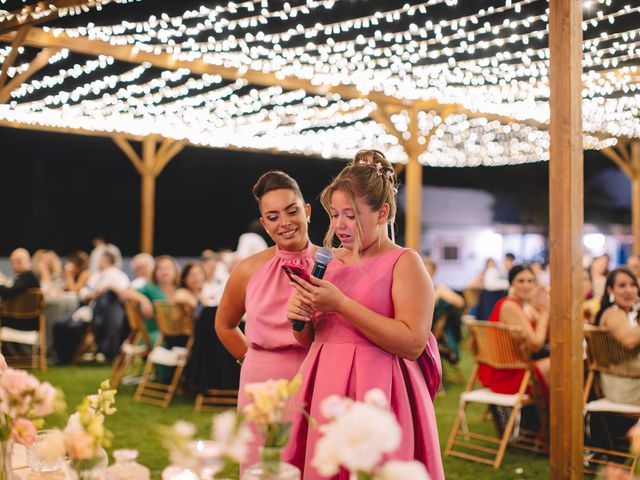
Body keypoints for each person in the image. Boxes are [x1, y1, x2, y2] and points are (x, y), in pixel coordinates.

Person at [284, 150, 444, 480]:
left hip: (379, 389)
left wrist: (341, 304)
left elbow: (413, 343)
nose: (339, 225)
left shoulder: (405, 262)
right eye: (335, 214)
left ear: (382, 212)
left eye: (351, 215)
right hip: (325, 383)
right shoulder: (330, 261)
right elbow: (311, 338)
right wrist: (298, 318)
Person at [215, 170, 316, 468]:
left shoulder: (335, 263)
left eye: (292, 211)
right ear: (264, 224)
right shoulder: (248, 269)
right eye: (273, 217)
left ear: (307, 211)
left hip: (318, 376)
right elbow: (224, 324)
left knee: (316, 463)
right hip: (262, 382)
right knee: (263, 466)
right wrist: (248, 359)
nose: (284, 223)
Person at [478, 264, 550, 398]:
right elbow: (535, 344)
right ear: (511, 283)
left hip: (516, 369)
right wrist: (545, 313)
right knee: (561, 366)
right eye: (521, 281)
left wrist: (541, 308)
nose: (526, 285)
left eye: (530, 281)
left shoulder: (523, 306)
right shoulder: (509, 307)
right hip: (509, 375)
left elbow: (548, 335)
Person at [593, 267, 640, 405]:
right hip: (625, 387)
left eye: (633, 285)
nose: (629, 290)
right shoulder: (613, 313)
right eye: (622, 285)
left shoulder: (625, 314)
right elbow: (628, 340)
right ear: (610, 290)